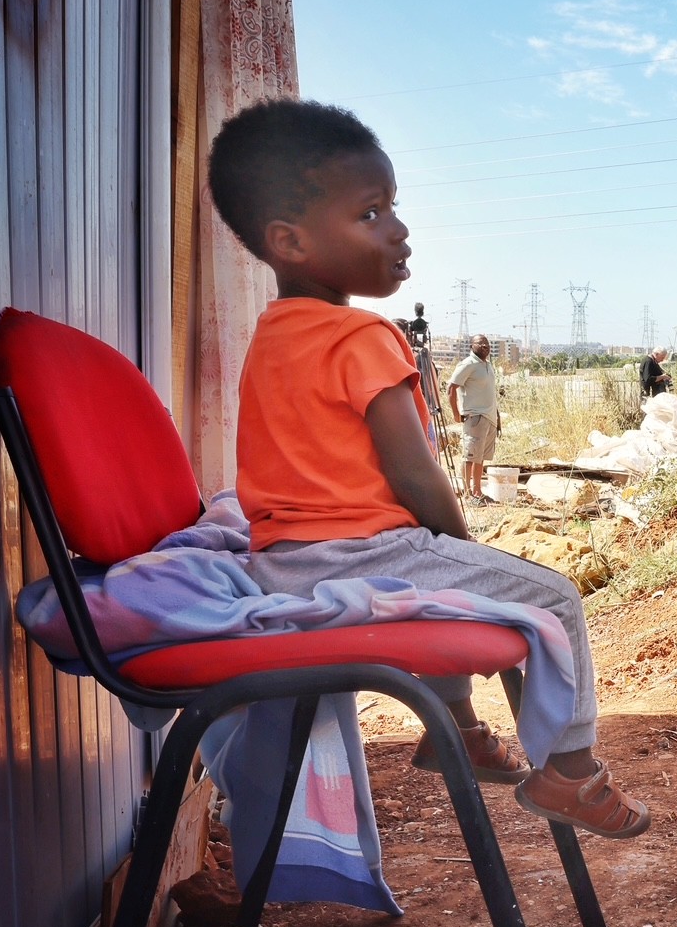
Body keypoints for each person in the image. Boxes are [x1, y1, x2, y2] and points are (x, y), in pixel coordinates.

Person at [205, 97, 649, 839]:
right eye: (371, 213)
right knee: (553, 598)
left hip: (282, 564)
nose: (400, 229)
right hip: (361, 555)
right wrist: (462, 541)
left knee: (447, 583)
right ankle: (573, 773)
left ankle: (460, 732)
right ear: (291, 241)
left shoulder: (271, 336)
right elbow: (416, 477)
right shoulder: (362, 335)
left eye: (394, 208)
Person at [446, 334, 498, 504]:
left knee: (480, 457)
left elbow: (490, 393)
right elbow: (451, 388)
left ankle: (477, 491)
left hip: (489, 418)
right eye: (480, 343)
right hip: (475, 417)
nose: (485, 346)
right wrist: (456, 413)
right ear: (472, 346)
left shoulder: (487, 365)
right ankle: (468, 494)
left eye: (487, 343)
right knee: (469, 457)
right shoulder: (468, 364)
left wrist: (496, 416)